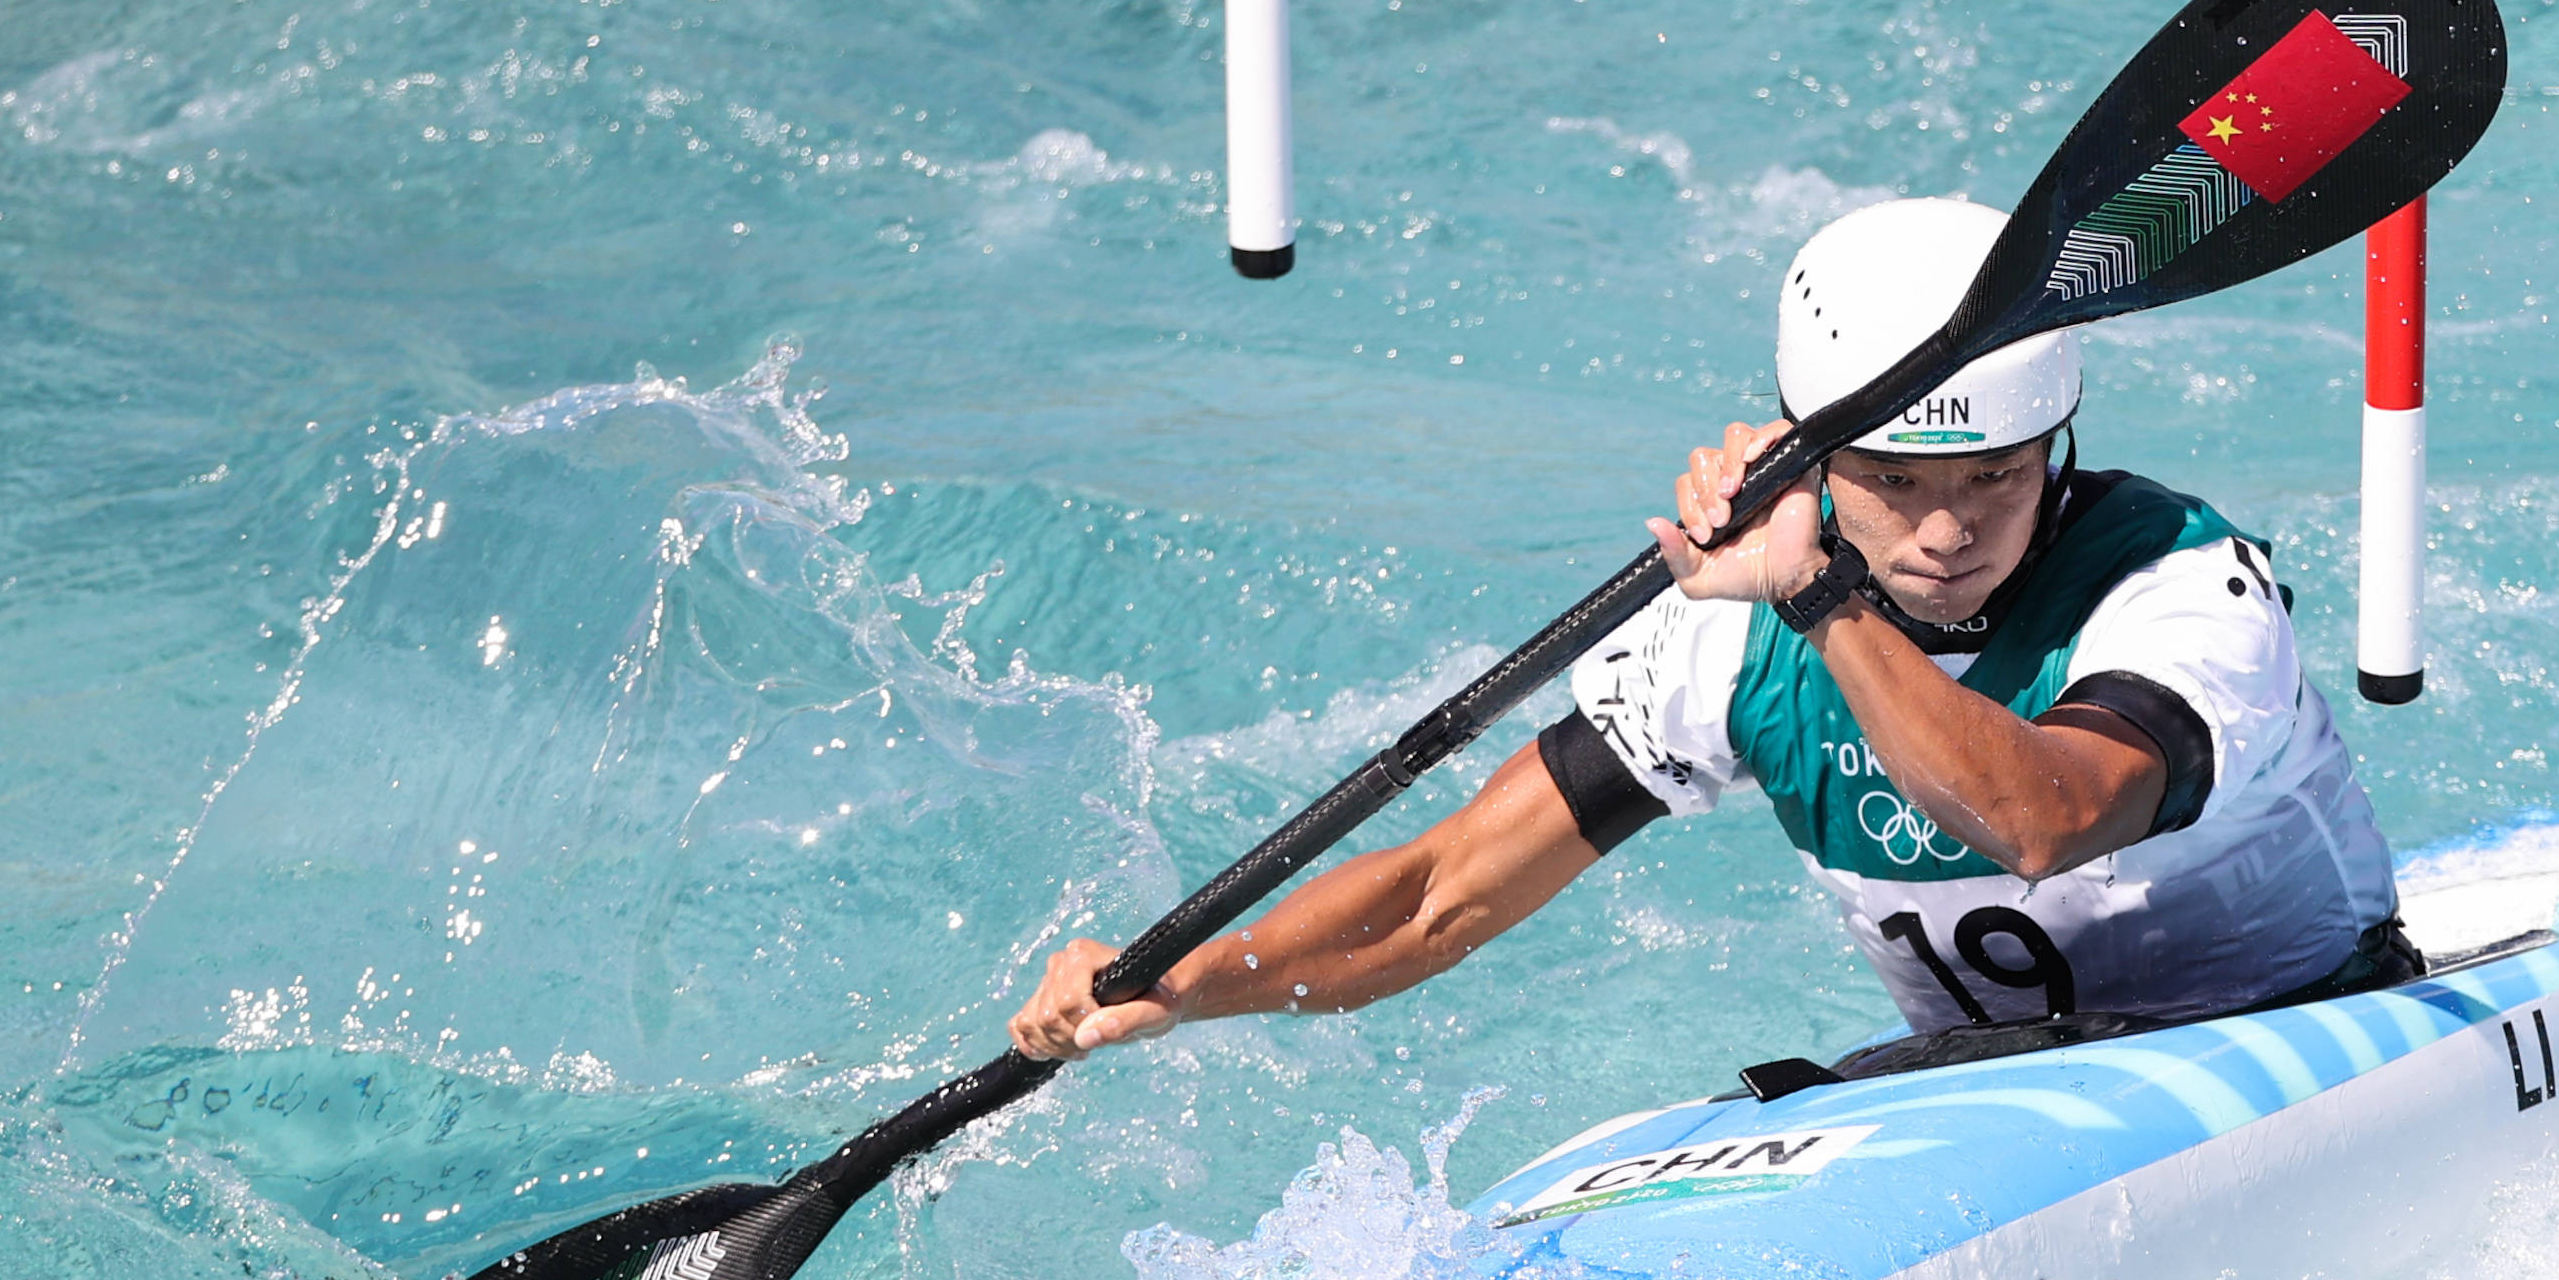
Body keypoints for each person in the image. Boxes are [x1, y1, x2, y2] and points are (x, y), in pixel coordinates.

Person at [1008, 197, 2416, 1075]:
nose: (1946, 531)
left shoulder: (2178, 585)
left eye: (1995, 476)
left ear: (2057, 444)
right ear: (1819, 459)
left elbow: (2038, 820)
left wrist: (1821, 599)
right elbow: (1443, 892)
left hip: (2295, 1024)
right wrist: (1184, 987)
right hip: (1989, 1085)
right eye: (1894, 487)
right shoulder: (1720, 638)